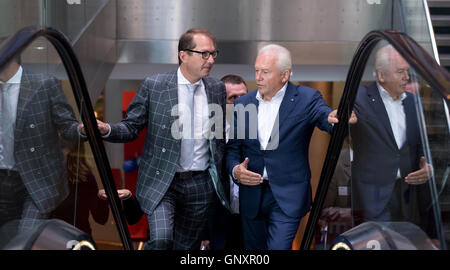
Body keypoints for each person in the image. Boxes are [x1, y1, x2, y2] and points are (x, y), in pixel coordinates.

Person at [80, 28, 230, 250]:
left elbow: (216, 140)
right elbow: (131, 127)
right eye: (204, 54)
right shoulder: (155, 86)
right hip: (163, 182)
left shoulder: (216, 89)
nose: (210, 60)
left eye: (213, 54)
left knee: (186, 247)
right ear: (183, 55)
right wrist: (106, 130)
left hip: (200, 184)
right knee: (160, 239)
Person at [226, 44, 351, 250]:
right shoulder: (244, 103)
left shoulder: (306, 98)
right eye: (256, 70)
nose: (258, 77)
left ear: (284, 75)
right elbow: (233, 149)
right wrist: (236, 171)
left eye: (265, 72)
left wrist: (334, 118)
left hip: (286, 196)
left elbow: (325, 117)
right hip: (251, 196)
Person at [350, 44, 435, 236]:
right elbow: (340, 131)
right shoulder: (359, 98)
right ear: (381, 75)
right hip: (373, 195)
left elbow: (420, 145)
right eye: (400, 72)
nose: (407, 77)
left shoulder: (414, 103)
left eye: (407, 71)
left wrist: (427, 164)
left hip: (407, 195)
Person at [0, 56, 81, 234]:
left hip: (36, 180)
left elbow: (67, 125)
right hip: (2, 180)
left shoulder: (44, 84)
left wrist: (81, 130)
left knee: (26, 237)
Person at [201, 74, 247, 250]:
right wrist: (203, 232)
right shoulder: (206, 134)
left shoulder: (259, 130)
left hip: (250, 217)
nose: (239, 102)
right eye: (233, 98)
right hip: (219, 220)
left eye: (243, 97)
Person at [50, 140, 109, 236]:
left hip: (75, 239)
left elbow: (101, 218)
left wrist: (102, 198)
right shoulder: (42, 176)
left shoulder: (84, 178)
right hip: (47, 239)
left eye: (62, 147)